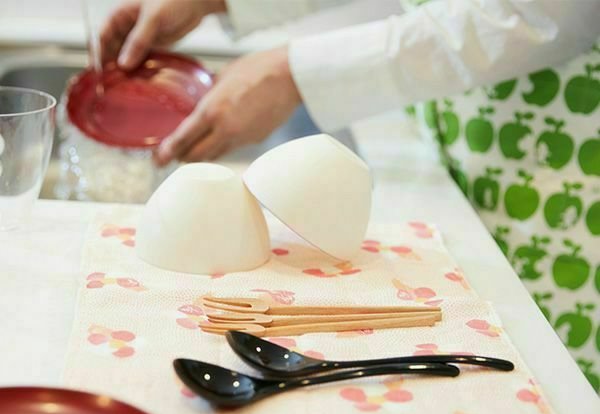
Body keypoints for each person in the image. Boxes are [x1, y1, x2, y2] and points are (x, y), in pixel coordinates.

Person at [101, 0, 600, 390]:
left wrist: (296, 73)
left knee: (554, 380)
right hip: (458, 130)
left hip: (561, 177)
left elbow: (545, 14)